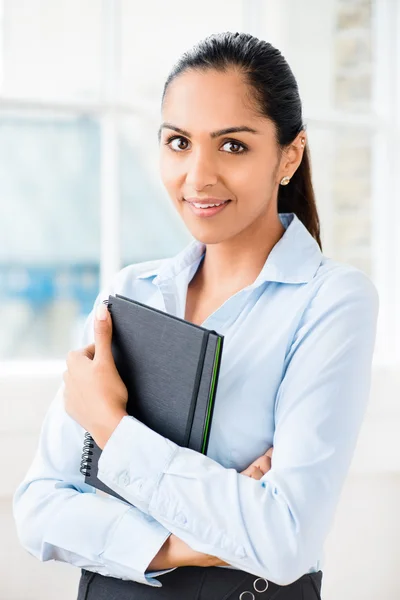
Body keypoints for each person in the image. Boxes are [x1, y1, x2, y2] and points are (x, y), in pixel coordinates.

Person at [13, 32, 379, 600]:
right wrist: (195, 543)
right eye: (179, 141)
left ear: (290, 154)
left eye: (232, 146)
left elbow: (284, 540)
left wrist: (112, 426)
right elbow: (38, 509)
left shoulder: (331, 301)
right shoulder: (128, 293)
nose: (198, 176)